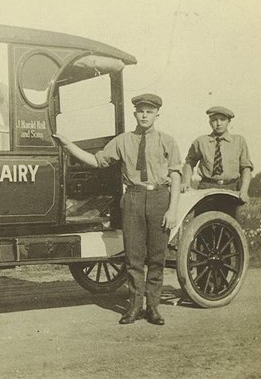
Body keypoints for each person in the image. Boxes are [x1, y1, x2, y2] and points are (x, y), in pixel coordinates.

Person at [53, 93, 181, 325]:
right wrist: (68, 145)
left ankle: (153, 308)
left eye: (149, 111)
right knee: (133, 258)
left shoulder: (167, 141)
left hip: (159, 198)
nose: (144, 115)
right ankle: (134, 307)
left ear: (157, 115)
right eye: (141, 111)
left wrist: (172, 210)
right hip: (132, 198)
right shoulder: (123, 141)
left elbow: (175, 175)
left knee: (156, 258)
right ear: (135, 114)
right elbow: (98, 161)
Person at [181, 106, 253, 202]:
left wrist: (244, 191)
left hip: (231, 188)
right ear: (210, 122)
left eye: (222, 119)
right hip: (206, 188)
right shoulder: (201, 141)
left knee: (228, 212)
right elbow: (189, 163)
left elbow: (246, 168)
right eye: (214, 120)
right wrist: (186, 182)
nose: (218, 123)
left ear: (229, 121)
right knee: (204, 212)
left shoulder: (239, 141)